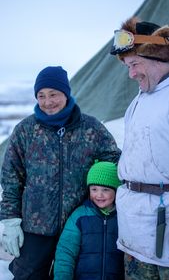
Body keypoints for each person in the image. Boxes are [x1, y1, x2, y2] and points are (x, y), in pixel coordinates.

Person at [0, 66, 121, 280]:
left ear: (66, 93)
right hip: (35, 229)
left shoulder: (91, 128)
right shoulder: (25, 131)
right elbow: (11, 178)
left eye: (53, 94)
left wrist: (105, 198)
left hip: (80, 224)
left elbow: (113, 162)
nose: (48, 102)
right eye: (41, 96)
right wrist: (10, 219)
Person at [110, 16, 169, 279]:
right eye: (127, 66)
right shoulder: (140, 99)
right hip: (134, 226)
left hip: (163, 225)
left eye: (135, 64)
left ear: (159, 58)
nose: (131, 74)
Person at [54, 160, 124, 280]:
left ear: (116, 191)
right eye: (94, 189)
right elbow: (66, 253)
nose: (99, 195)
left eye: (105, 190)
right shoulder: (79, 217)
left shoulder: (123, 217)